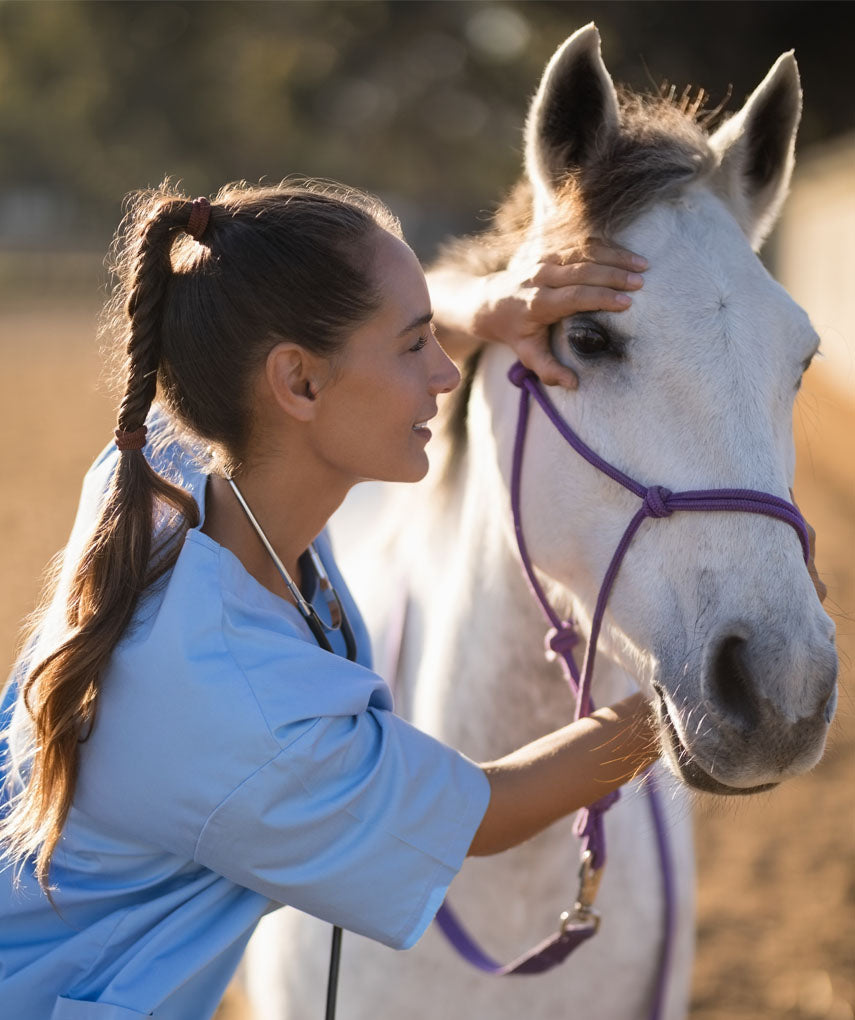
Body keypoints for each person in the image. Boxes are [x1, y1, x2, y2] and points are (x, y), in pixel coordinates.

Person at [0, 179, 667, 1019]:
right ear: (299, 384)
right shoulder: (236, 704)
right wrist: (676, 708)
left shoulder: (169, 458)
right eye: (414, 345)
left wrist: (486, 304)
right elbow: (483, 813)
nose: (443, 375)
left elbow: (359, 337)